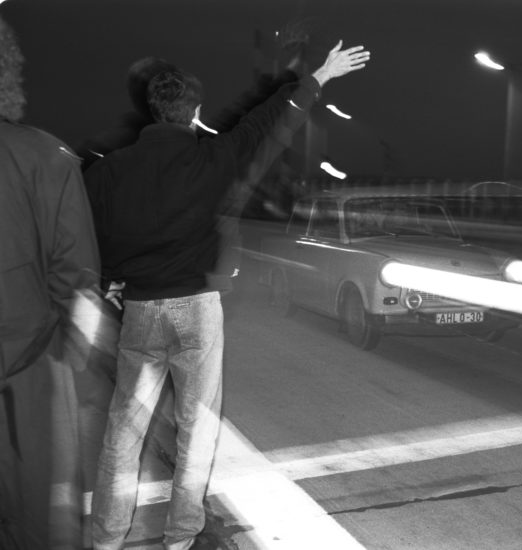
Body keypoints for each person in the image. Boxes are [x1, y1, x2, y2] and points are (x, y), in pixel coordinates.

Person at [84, 40, 370, 550]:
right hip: (197, 308)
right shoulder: (213, 157)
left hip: (141, 309)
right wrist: (319, 77)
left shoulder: (109, 171)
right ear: (194, 112)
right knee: (196, 430)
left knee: (124, 432)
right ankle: (180, 537)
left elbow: (93, 234)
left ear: (153, 110)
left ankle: (106, 539)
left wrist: (111, 276)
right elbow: (265, 123)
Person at [0, 14, 104, 549]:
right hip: (29, 379)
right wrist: (74, 360)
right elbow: (81, 284)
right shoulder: (46, 156)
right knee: (41, 522)